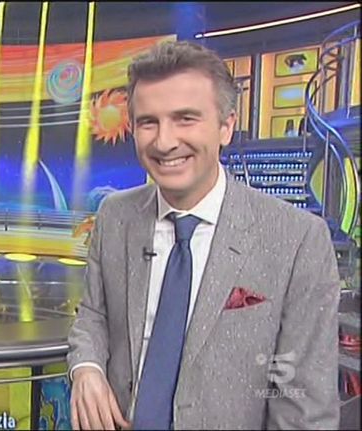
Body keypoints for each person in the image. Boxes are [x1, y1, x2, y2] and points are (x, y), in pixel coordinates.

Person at [67, 41, 339, 430]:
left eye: (185, 119)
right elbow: (94, 314)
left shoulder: (297, 239)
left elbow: (304, 410)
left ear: (226, 126)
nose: (164, 142)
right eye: (148, 122)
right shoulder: (115, 215)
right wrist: (87, 368)